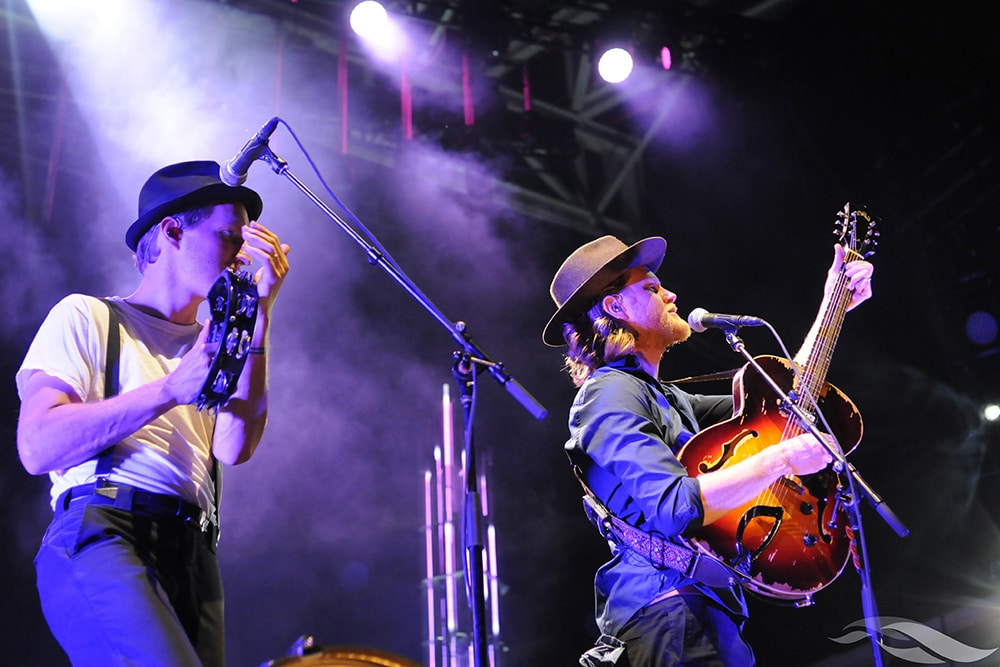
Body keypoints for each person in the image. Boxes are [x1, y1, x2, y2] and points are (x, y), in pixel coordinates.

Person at [542, 235, 873, 666]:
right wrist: (783, 459)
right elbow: (675, 507)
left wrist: (833, 308)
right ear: (615, 306)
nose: (671, 294)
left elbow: (785, 410)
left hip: (698, 610)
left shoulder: (666, 398)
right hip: (667, 611)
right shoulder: (608, 393)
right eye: (652, 288)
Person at [16, 160, 291, 667]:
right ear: (172, 232)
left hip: (194, 554)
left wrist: (259, 317)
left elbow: (235, 447)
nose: (240, 257)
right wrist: (169, 389)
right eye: (228, 238)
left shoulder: (215, 340)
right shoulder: (88, 315)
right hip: (107, 530)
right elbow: (36, 446)